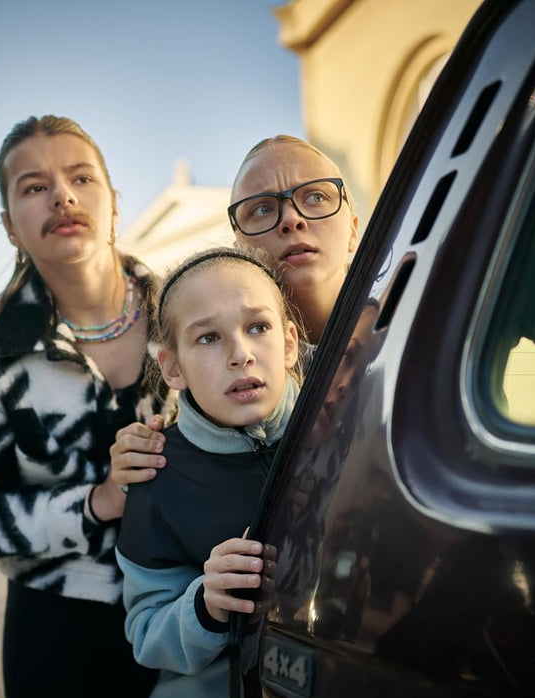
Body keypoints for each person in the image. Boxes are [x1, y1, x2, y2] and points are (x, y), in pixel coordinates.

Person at [0, 115, 172, 698]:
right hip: (55, 629)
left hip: (189, 611)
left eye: (81, 178)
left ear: (113, 204)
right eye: (34, 187)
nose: (62, 196)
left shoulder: (186, 314)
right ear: (11, 227)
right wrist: (95, 503)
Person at [109, 134, 358, 488]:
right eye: (262, 209)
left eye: (316, 197)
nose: (291, 219)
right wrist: (142, 457)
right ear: (240, 248)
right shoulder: (217, 396)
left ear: (353, 230)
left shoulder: (419, 321)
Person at [115, 247, 302, 698]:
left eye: (257, 327)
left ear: (289, 343)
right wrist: (206, 605)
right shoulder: (156, 476)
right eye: (208, 337)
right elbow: (146, 631)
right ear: (172, 367)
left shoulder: (344, 428)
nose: (241, 354)